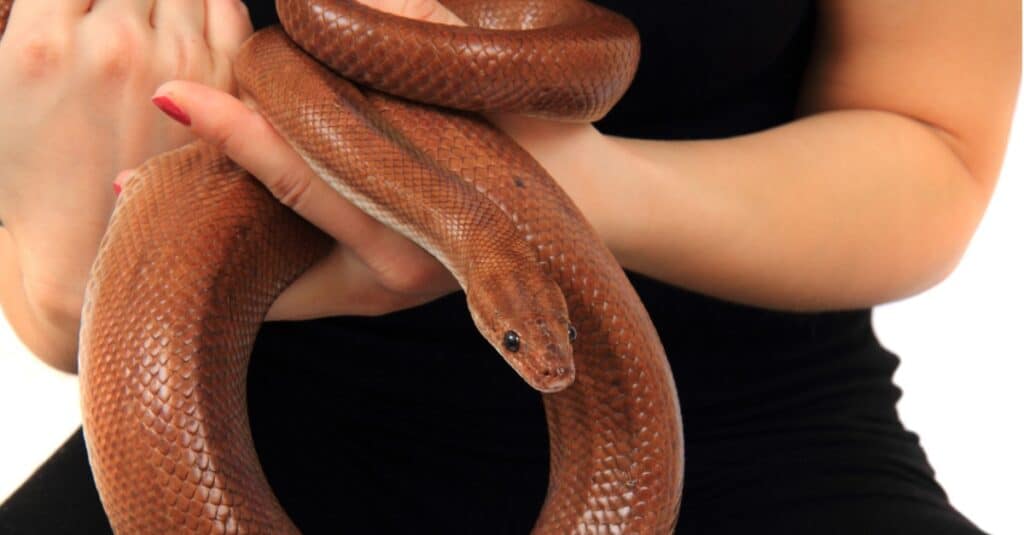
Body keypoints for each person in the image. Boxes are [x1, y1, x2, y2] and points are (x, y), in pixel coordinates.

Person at [0, 0, 1018, 533]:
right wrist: (76, 291)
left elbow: (934, 142)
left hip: (756, 440)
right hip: (214, 436)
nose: (541, 358)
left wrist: (547, 191)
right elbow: (42, 287)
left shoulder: (547, 318)